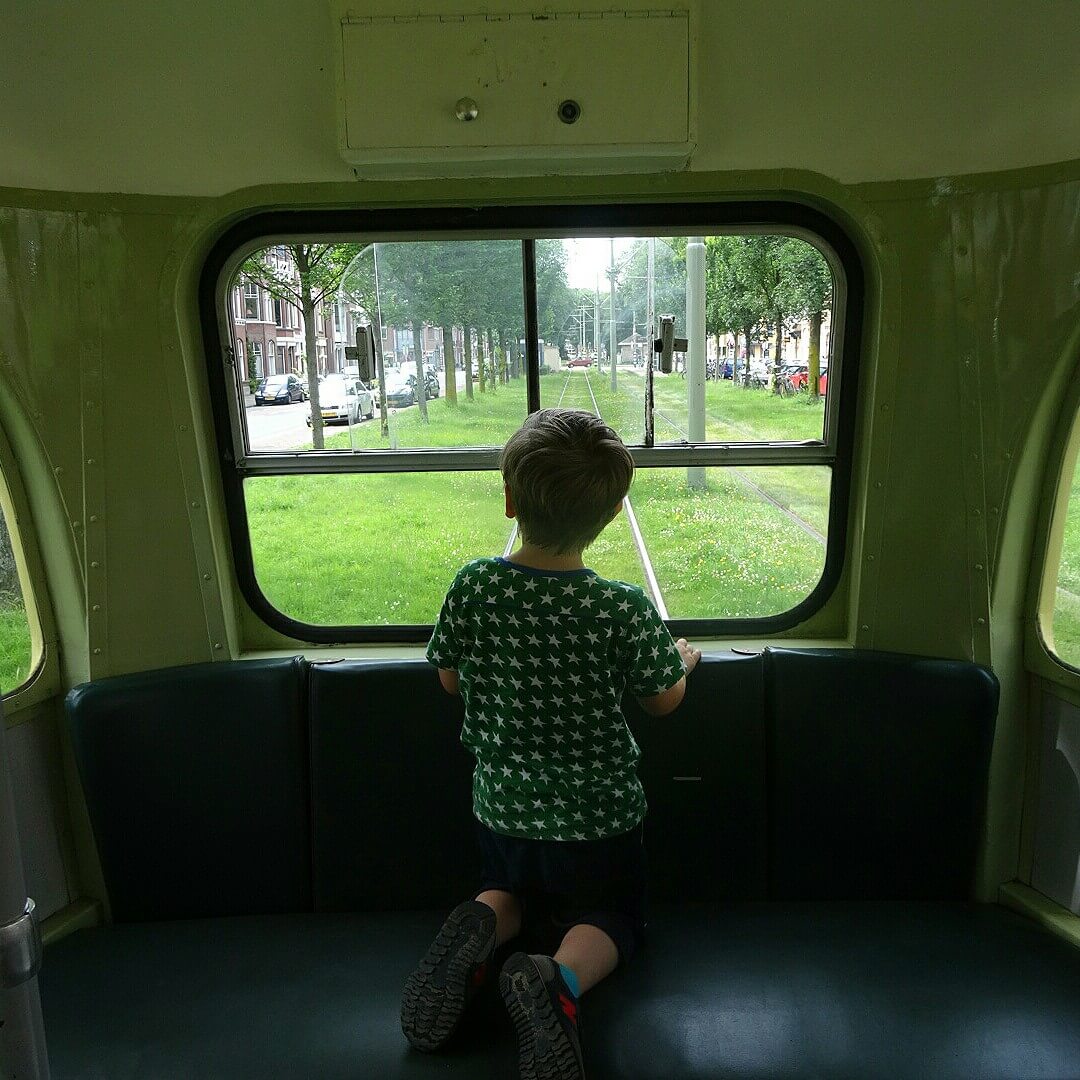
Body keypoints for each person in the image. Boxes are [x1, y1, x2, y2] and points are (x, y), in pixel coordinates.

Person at [400, 408, 701, 1078]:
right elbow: (661, 701)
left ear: (509, 498)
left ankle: (483, 927)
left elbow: (449, 680)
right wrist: (679, 665)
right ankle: (559, 979)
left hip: (503, 807)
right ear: (614, 512)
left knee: (508, 888)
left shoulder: (474, 584)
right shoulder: (619, 606)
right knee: (609, 917)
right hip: (600, 818)